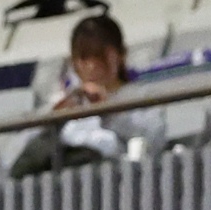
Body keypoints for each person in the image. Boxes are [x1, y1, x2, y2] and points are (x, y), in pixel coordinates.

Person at [12, 14, 166, 177]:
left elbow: (154, 140)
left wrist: (109, 112)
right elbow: (14, 157)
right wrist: (53, 121)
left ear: (121, 54)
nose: (92, 65)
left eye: (100, 56)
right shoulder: (61, 103)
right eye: (84, 58)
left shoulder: (142, 97)